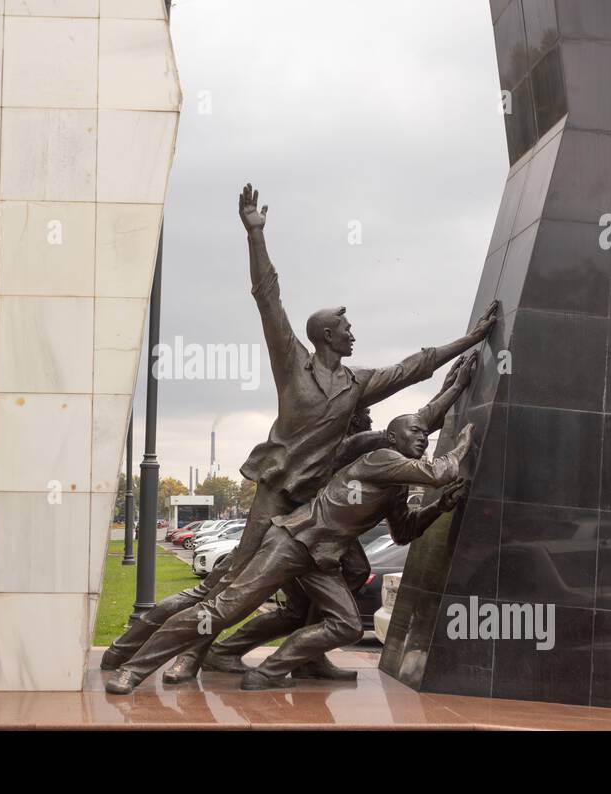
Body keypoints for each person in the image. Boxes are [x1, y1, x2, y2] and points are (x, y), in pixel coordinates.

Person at [99, 182, 498, 682]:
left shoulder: (356, 386)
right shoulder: (293, 365)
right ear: (327, 335)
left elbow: (413, 369)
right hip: (277, 497)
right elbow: (268, 299)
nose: (354, 335)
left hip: (315, 511)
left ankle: (304, 654)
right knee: (222, 587)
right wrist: (255, 235)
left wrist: (470, 341)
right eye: (346, 329)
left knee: (347, 573)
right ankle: (134, 653)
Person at [106, 413, 474, 694]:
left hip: (321, 559)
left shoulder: (395, 484)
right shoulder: (380, 457)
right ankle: (134, 669)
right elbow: (438, 471)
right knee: (221, 609)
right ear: (393, 437)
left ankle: (267, 672)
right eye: (416, 432)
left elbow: (405, 530)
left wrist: (440, 506)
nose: (424, 438)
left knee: (346, 624)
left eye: (426, 434)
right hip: (292, 542)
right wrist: (461, 445)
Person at [200, 352, 478, 675]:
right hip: (301, 532)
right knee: (269, 601)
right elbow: (418, 424)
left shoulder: (398, 475)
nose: (369, 420)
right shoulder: (364, 447)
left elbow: (403, 528)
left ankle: (296, 659)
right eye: (364, 416)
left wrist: (439, 505)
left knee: (325, 595)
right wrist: (453, 396)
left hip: (322, 540)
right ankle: (228, 654)